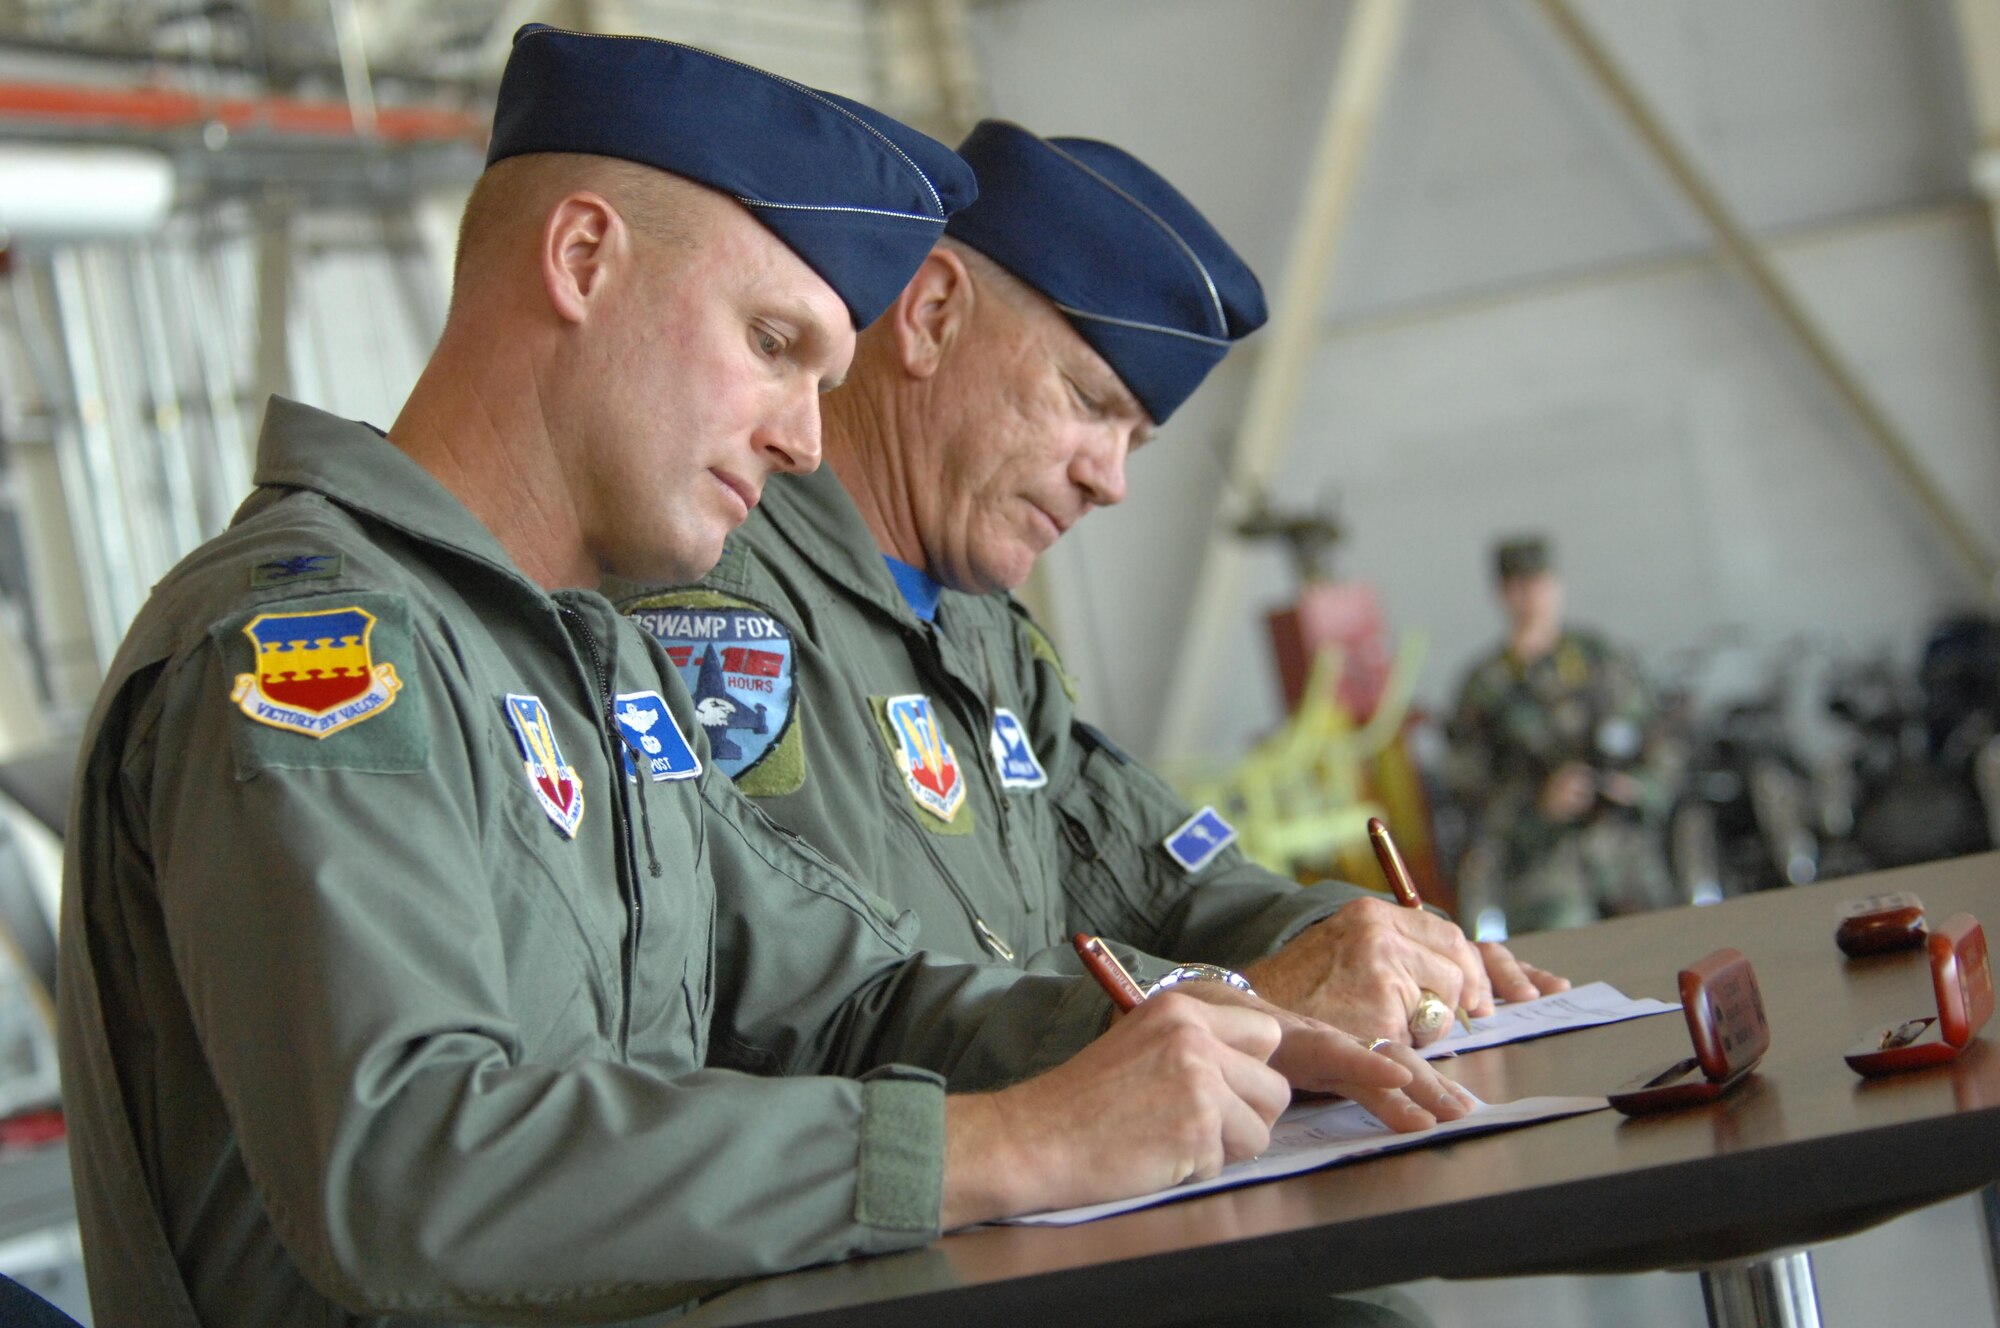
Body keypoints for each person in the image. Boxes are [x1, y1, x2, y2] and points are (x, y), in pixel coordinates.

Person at [55, 30, 1472, 1327]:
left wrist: (1224, 1025)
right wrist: (1000, 1146)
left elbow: (843, 995)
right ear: (586, 259)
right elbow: (413, 1162)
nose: (807, 440)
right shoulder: (313, 651)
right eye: (776, 345)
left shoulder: (578, 662)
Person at [617, 120, 1565, 1050]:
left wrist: (1350, 941)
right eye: (1088, 404)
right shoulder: (714, 605)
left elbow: (1156, 873)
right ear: (935, 314)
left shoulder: (986, 636)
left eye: (1135, 443)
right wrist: (1239, 998)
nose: (1109, 480)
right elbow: (836, 1002)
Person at [1446, 536, 1683, 933]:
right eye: (1518, 587)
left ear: (1556, 586)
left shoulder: (1599, 658)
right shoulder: (1486, 685)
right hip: (1544, 869)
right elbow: (1467, 785)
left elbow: (1659, 738)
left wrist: (1639, 787)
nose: (1530, 598)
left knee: (1661, 947)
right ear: (1503, 594)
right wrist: (1539, 806)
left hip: (1625, 852)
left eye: (1539, 583)